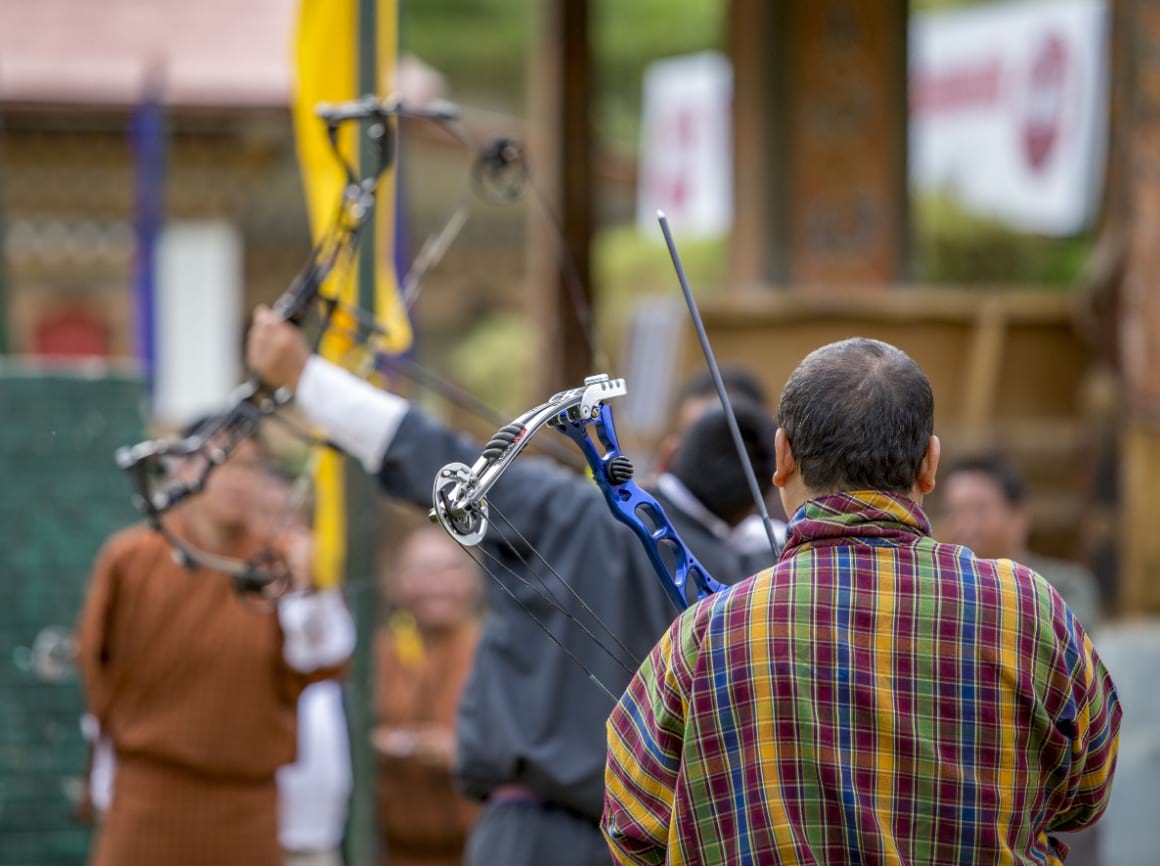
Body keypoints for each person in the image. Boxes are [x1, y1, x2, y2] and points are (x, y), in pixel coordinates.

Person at [245, 306, 780, 866]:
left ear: (669, 454)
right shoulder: (759, 585)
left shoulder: (571, 509)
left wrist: (301, 372)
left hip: (522, 838)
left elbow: (421, 449)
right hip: (649, 847)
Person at [603, 337, 1122, 866]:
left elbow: (631, 826)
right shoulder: (1027, 609)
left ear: (781, 457)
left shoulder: (705, 633)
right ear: (929, 465)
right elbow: (1089, 791)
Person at [76, 423, 355, 866]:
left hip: (246, 809)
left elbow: (324, 666)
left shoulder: (277, 565)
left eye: (251, 467)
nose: (239, 480)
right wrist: (103, 778)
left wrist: (312, 591)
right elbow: (97, 670)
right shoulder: (131, 559)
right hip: (147, 800)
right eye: (223, 463)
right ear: (185, 468)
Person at [374, 526, 483, 866]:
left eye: (451, 569)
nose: (437, 584)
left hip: (476, 849)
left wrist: (462, 753)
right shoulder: (379, 651)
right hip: (392, 849)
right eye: (422, 571)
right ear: (396, 581)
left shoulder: (491, 652)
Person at [938, 453, 1103, 628]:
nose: (965, 524)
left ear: (1018, 516)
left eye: (980, 510)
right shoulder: (943, 588)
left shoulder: (1067, 585)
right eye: (953, 512)